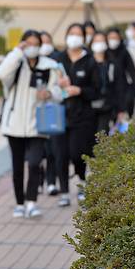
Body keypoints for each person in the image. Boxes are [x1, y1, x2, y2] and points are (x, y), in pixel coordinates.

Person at [0, 30, 62, 218]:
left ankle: (31, 202)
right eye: (28, 43)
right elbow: (0, 73)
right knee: (17, 166)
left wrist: (50, 94)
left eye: (35, 44)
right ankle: (19, 203)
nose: (32, 47)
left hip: (38, 123)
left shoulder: (49, 67)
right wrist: (17, 52)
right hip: (14, 123)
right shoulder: (15, 64)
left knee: (34, 163)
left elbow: (59, 91)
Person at [55, 23, 101, 205]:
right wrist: (56, 85)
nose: (74, 37)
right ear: (66, 36)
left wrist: (79, 90)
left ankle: (82, 183)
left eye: (78, 34)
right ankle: (64, 192)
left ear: (83, 38)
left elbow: (96, 90)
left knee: (77, 153)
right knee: (60, 154)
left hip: (82, 116)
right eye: (71, 33)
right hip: (59, 115)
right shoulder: (58, 59)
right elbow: (45, 83)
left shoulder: (90, 61)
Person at [39, 31, 62, 196]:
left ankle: (52, 182)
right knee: (39, 150)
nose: (45, 45)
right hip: (35, 111)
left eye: (48, 42)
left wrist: (51, 92)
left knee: (53, 148)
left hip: (52, 110)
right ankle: (39, 182)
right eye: (42, 42)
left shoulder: (57, 64)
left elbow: (63, 88)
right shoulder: (29, 65)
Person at [90, 32, 124, 133]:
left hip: (107, 107)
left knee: (102, 135)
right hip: (88, 108)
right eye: (96, 41)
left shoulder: (112, 64)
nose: (99, 43)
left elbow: (119, 87)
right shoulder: (87, 62)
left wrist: (121, 109)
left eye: (102, 41)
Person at [106, 27, 135, 118]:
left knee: (124, 118)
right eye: (110, 38)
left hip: (122, 89)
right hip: (107, 92)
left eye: (115, 38)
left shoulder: (124, 52)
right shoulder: (104, 52)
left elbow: (132, 71)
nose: (113, 40)